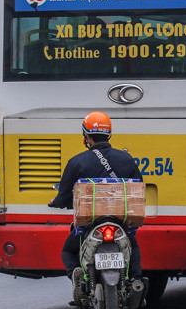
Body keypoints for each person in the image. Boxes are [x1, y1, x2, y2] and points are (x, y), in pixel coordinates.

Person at [49, 111, 144, 295]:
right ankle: (135, 279)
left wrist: (56, 202)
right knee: (134, 245)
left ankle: (76, 274)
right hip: (119, 222)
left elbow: (64, 196)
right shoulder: (126, 159)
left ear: (86, 137)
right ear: (109, 134)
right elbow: (137, 189)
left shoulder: (76, 162)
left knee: (68, 251)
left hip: (89, 224)